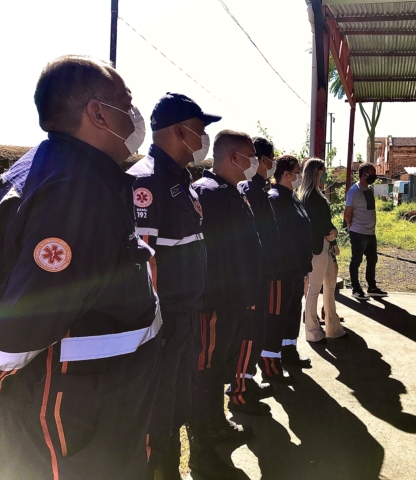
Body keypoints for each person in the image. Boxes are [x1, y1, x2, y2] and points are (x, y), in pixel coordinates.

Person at [0, 55, 161, 479]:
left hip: (87, 405)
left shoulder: (63, 170)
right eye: (127, 102)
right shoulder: (74, 188)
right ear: (98, 113)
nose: (135, 115)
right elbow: (20, 328)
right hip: (70, 420)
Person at [126, 93, 219, 479]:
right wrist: (155, 327)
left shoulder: (182, 180)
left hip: (184, 319)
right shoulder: (146, 181)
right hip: (162, 326)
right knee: (155, 418)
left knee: (175, 410)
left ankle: (171, 470)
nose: (203, 138)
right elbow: (142, 262)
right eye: (199, 130)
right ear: (179, 131)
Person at [189, 130, 263, 479]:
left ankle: (217, 424)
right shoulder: (208, 193)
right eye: (251, 156)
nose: (255, 163)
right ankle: (202, 451)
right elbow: (205, 253)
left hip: (232, 302)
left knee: (217, 369)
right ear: (235, 157)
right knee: (204, 373)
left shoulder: (231, 191)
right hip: (214, 304)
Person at [230, 136, 280, 416]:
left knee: (256, 332)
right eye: (271, 159)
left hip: (262, 274)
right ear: (263, 160)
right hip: (252, 277)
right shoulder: (249, 189)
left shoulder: (259, 188)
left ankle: (247, 381)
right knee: (248, 334)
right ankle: (238, 392)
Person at [264, 155, 314, 375]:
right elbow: (273, 239)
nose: (299, 176)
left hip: (297, 270)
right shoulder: (274, 200)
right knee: (276, 317)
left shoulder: (292, 197)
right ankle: (271, 362)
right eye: (297, 172)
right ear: (286, 174)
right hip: (281, 272)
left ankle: (289, 352)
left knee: (292, 313)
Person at [300, 158, 348, 342]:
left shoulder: (313, 193)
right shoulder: (310, 196)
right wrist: (332, 236)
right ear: (315, 172)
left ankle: (333, 328)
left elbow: (325, 220)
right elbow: (319, 222)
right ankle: (313, 332)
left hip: (323, 246)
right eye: (323, 170)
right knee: (315, 290)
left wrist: (333, 233)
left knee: (329, 287)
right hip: (317, 247)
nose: (325, 174)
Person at [344, 162, 388, 300]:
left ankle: (371, 287)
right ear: (364, 175)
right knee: (356, 261)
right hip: (358, 233)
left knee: (372, 259)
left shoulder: (369, 189)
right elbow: (347, 213)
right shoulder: (354, 191)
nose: (375, 177)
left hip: (370, 233)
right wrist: (351, 225)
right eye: (373, 174)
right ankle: (356, 289)